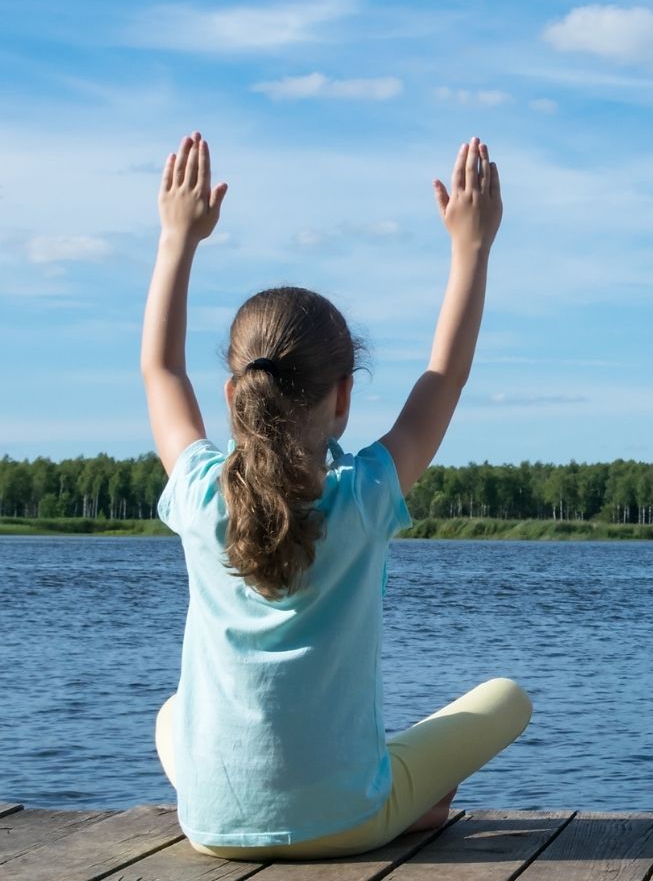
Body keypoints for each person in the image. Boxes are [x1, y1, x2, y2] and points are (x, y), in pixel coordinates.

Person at [142, 133, 531, 859]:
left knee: (173, 714)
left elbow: (161, 371)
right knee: (508, 698)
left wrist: (177, 238)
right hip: (348, 820)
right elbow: (443, 378)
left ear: (232, 395)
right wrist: (471, 247)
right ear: (344, 397)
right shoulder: (366, 496)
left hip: (213, 827)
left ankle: (361, 792)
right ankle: (405, 797)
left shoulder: (199, 496)